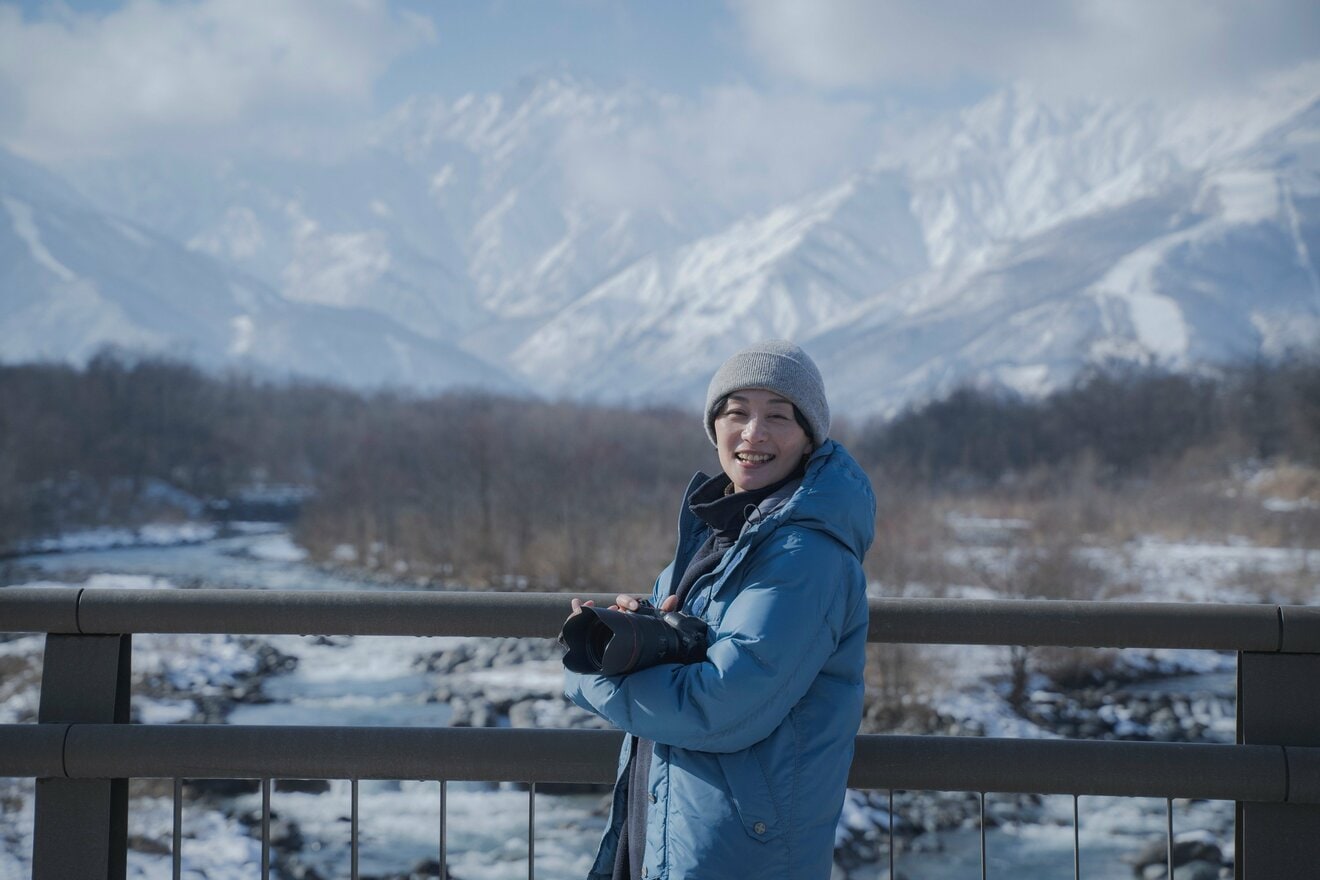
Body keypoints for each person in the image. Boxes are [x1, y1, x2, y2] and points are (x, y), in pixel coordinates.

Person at [562, 339, 876, 880]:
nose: (753, 433)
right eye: (737, 413)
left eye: (778, 416)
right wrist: (629, 634)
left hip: (741, 853)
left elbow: (726, 707)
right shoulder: (718, 535)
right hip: (675, 832)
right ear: (714, 430)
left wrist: (596, 681)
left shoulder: (806, 556)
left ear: (807, 440)